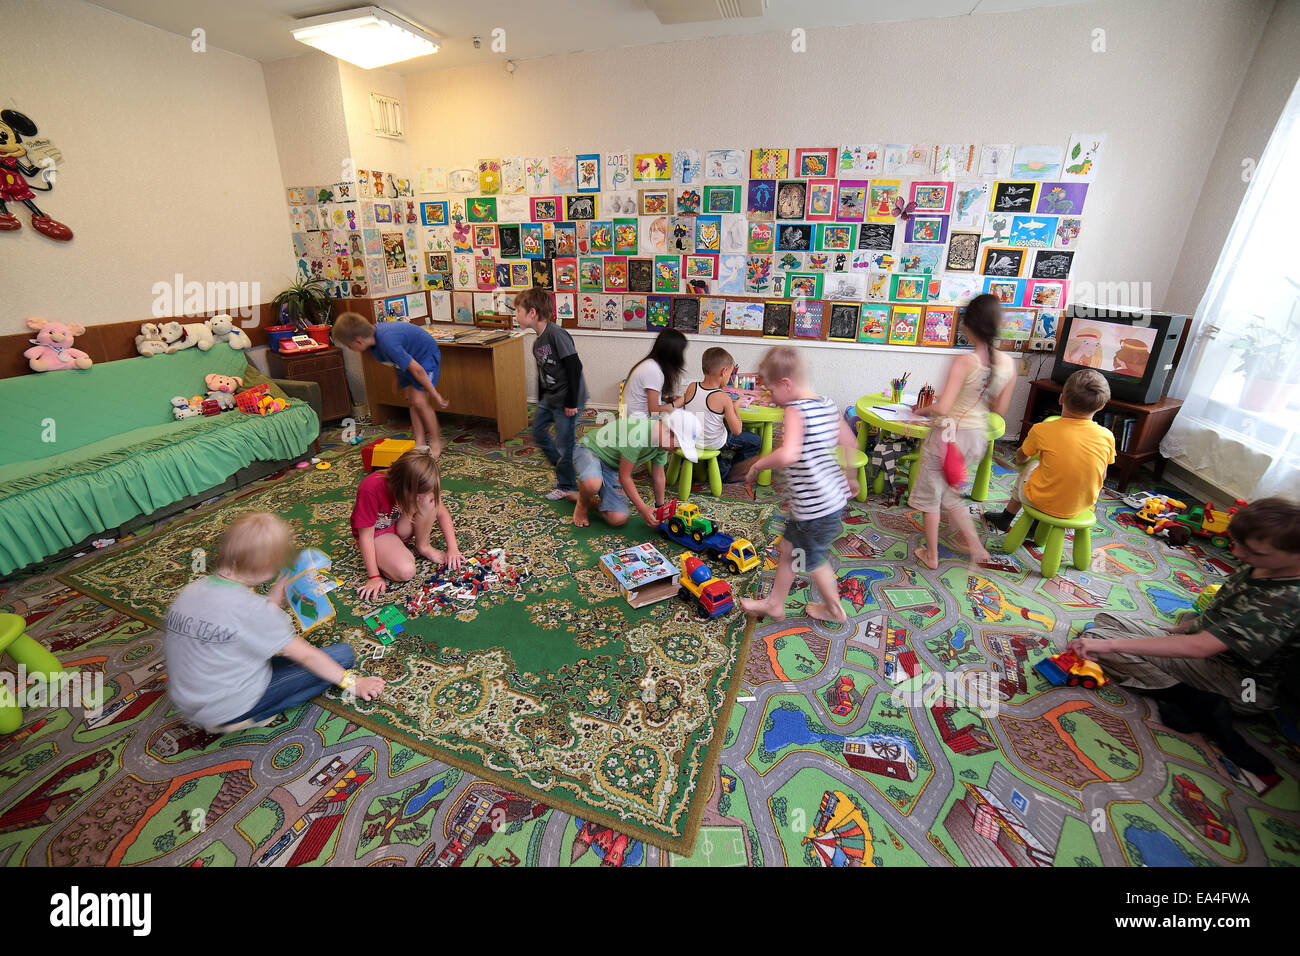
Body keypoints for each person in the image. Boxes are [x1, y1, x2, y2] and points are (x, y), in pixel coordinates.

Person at [1068, 497, 1300, 791]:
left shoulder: (1287, 601)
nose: (1237, 552)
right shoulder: (1264, 567)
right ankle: (1186, 691)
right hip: (1206, 651)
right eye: (1237, 543)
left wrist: (1112, 646)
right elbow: (1220, 610)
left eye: (1252, 551)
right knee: (1105, 619)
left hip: (1241, 686)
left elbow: (1202, 647)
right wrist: (1174, 631)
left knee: (1098, 640)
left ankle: (1191, 699)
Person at [164, 513, 384, 731]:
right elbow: (305, 655)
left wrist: (277, 593)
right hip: (226, 708)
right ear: (267, 564)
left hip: (189, 699)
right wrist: (353, 683)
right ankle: (247, 716)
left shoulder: (191, 591)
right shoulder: (253, 610)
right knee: (342, 655)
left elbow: (241, 622)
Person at [737, 347, 859, 624]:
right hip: (826, 500)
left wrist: (758, 465)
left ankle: (835, 610)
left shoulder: (795, 410)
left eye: (771, 391)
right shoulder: (827, 404)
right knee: (789, 550)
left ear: (786, 384)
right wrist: (851, 477)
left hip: (815, 509)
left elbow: (789, 453)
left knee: (811, 560)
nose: (772, 398)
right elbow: (851, 443)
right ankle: (775, 604)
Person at [910, 294, 1015, 570]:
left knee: (932, 496)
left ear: (969, 326)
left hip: (949, 436)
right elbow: (999, 410)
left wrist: (922, 410)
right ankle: (976, 546)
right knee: (950, 493)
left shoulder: (965, 361)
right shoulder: (1008, 364)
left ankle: (931, 554)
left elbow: (944, 407)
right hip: (976, 437)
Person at [984, 368, 1115, 532]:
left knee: (1030, 469)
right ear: (1102, 406)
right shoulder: (1107, 436)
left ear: (1061, 398)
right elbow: (1102, 475)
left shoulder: (1042, 429)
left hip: (1041, 501)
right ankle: (1036, 527)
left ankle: (1006, 518)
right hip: (1081, 506)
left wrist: (1020, 462)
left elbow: (1022, 456)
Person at [352, 450, 461, 601]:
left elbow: (441, 512)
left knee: (430, 500)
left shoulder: (414, 486)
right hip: (379, 533)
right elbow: (365, 536)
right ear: (402, 486)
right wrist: (374, 576)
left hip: (400, 524)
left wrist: (453, 548)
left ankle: (423, 546)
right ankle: (391, 553)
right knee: (405, 571)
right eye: (417, 495)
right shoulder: (370, 488)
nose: (421, 498)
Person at [333, 312, 448, 454]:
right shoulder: (373, 344)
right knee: (412, 400)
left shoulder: (387, 342)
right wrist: (401, 381)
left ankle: (436, 440)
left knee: (420, 401)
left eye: (350, 347)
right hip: (411, 358)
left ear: (358, 341)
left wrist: (435, 394)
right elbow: (395, 361)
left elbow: (418, 370)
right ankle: (420, 441)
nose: (352, 350)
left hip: (425, 355)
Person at [515, 286, 588, 501]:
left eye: (518, 311)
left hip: (569, 398)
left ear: (532, 313)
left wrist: (571, 401)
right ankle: (564, 467)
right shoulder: (537, 342)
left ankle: (567, 486)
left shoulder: (556, 334)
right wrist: (540, 402)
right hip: (551, 397)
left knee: (565, 444)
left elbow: (575, 366)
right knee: (538, 432)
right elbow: (542, 375)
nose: (516, 316)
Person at [572, 409, 697, 528]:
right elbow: (625, 477)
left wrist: (660, 507)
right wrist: (643, 509)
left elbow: (658, 475)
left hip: (613, 465)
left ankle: (587, 500)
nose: (675, 451)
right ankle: (582, 503)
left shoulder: (662, 444)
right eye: (676, 446)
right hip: (589, 449)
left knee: (618, 518)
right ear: (669, 431)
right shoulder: (638, 435)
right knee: (592, 483)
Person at [680, 347, 761, 483]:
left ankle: (715, 462)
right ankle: (728, 471)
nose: (729, 377)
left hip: (692, 438)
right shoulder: (723, 398)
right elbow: (737, 430)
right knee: (754, 441)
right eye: (730, 374)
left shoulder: (691, 387)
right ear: (723, 372)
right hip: (714, 442)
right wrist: (735, 408)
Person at [622, 329, 687, 419]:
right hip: (638, 423)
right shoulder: (653, 370)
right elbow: (654, 412)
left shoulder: (650, 364)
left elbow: (646, 398)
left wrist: (668, 399)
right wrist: (677, 403)